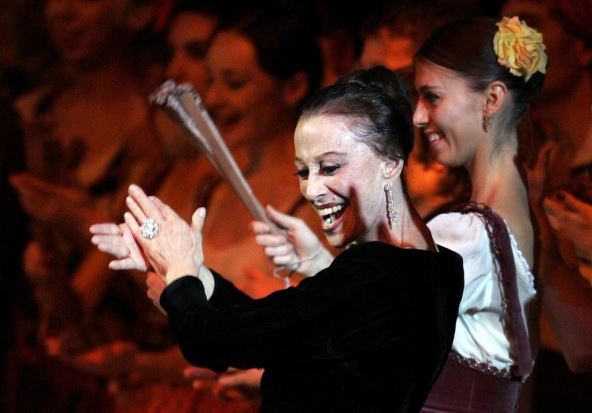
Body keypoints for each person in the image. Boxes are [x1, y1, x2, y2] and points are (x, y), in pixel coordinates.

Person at [91, 66, 464, 412]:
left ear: (391, 163)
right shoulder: (434, 265)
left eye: (330, 167)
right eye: (303, 171)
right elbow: (273, 332)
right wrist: (189, 273)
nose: (311, 190)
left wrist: (181, 274)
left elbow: (214, 342)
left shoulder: (377, 273)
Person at [251, 16, 546, 412]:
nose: (419, 117)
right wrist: (319, 263)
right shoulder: (504, 217)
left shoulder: (466, 234)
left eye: (433, 97)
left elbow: (368, 327)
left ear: (492, 99)